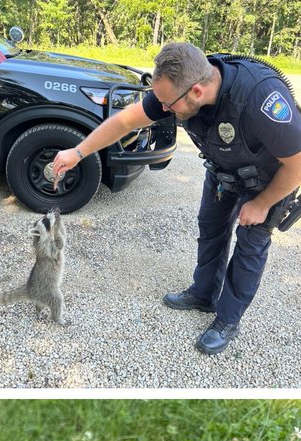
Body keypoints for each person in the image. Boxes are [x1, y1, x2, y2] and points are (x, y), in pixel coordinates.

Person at [50, 42, 301, 355]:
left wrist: (262, 204)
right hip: (225, 170)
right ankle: (204, 293)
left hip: (271, 178)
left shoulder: (259, 97)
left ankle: (227, 320)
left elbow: (297, 162)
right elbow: (126, 121)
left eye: (169, 104)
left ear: (196, 91)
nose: (164, 110)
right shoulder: (175, 89)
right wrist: (77, 152)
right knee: (210, 227)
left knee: (250, 245)